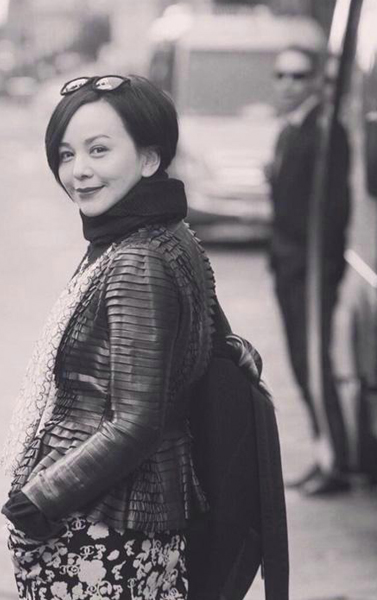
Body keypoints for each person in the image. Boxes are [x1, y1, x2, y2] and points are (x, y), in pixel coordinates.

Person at [0, 74, 217, 599]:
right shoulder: (163, 234)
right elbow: (207, 339)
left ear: (149, 158)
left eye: (99, 150)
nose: (78, 170)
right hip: (130, 519)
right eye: (66, 153)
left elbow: (136, 423)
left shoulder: (136, 259)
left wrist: (39, 502)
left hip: (102, 524)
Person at [267, 42, 351, 496]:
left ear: (316, 81)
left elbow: (334, 209)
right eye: (281, 76)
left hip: (311, 268)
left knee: (315, 362)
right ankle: (325, 453)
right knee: (302, 363)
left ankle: (336, 461)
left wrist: (320, 267)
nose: (288, 85)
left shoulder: (325, 132)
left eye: (298, 76)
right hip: (288, 265)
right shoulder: (290, 130)